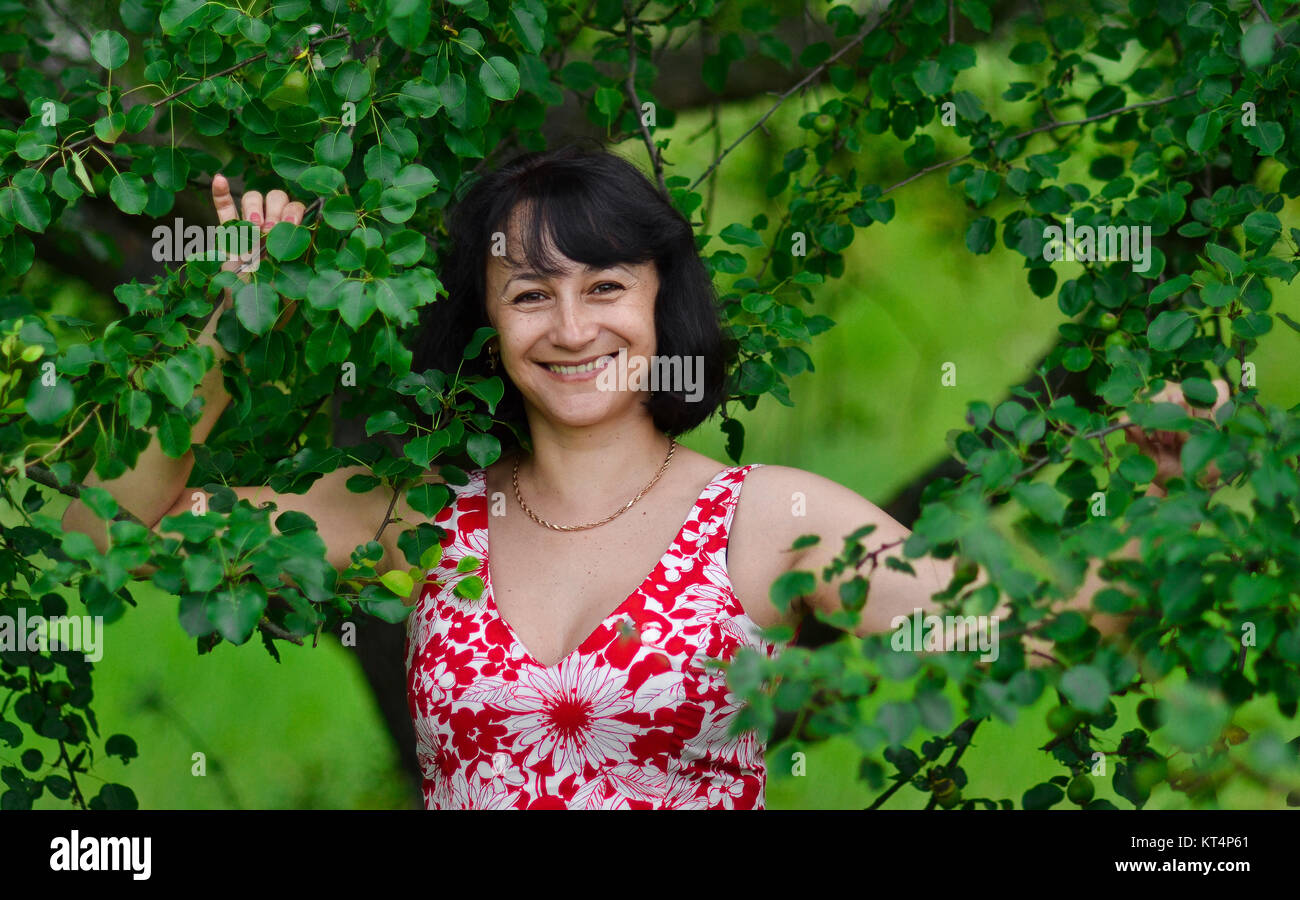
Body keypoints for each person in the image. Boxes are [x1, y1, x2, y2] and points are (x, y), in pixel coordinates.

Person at [62, 142, 1228, 809]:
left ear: (663, 300)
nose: (571, 325)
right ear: (485, 322)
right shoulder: (420, 517)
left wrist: (1175, 494)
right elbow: (115, 532)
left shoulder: (770, 520)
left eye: (605, 285)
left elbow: (1044, 645)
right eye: (528, 292)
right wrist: (223, 315)